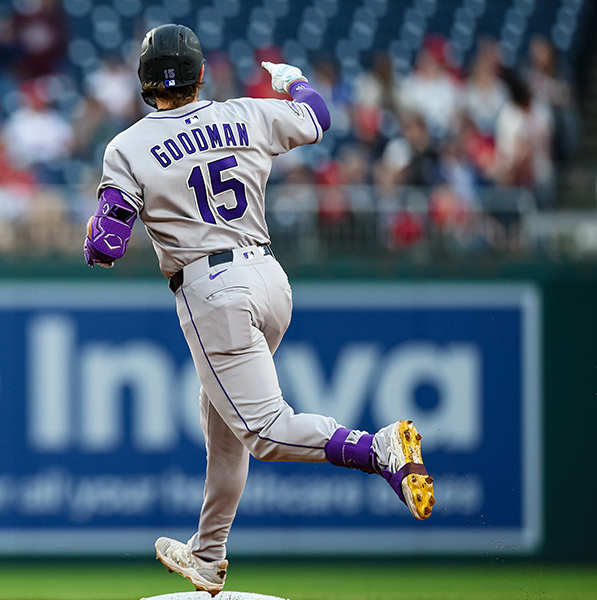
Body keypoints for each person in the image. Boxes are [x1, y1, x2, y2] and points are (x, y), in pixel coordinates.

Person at [82, 24, 435, 597]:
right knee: (222, 424)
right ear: (200, 74)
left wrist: (101, 234)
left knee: (264, 431)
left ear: (145, 81)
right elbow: (318, 117)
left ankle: (378, 448)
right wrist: (293, 80)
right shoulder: (245, 112)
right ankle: (208, 554)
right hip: (269, 279)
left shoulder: (127, 146)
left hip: (211, 288)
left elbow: (106, 242)